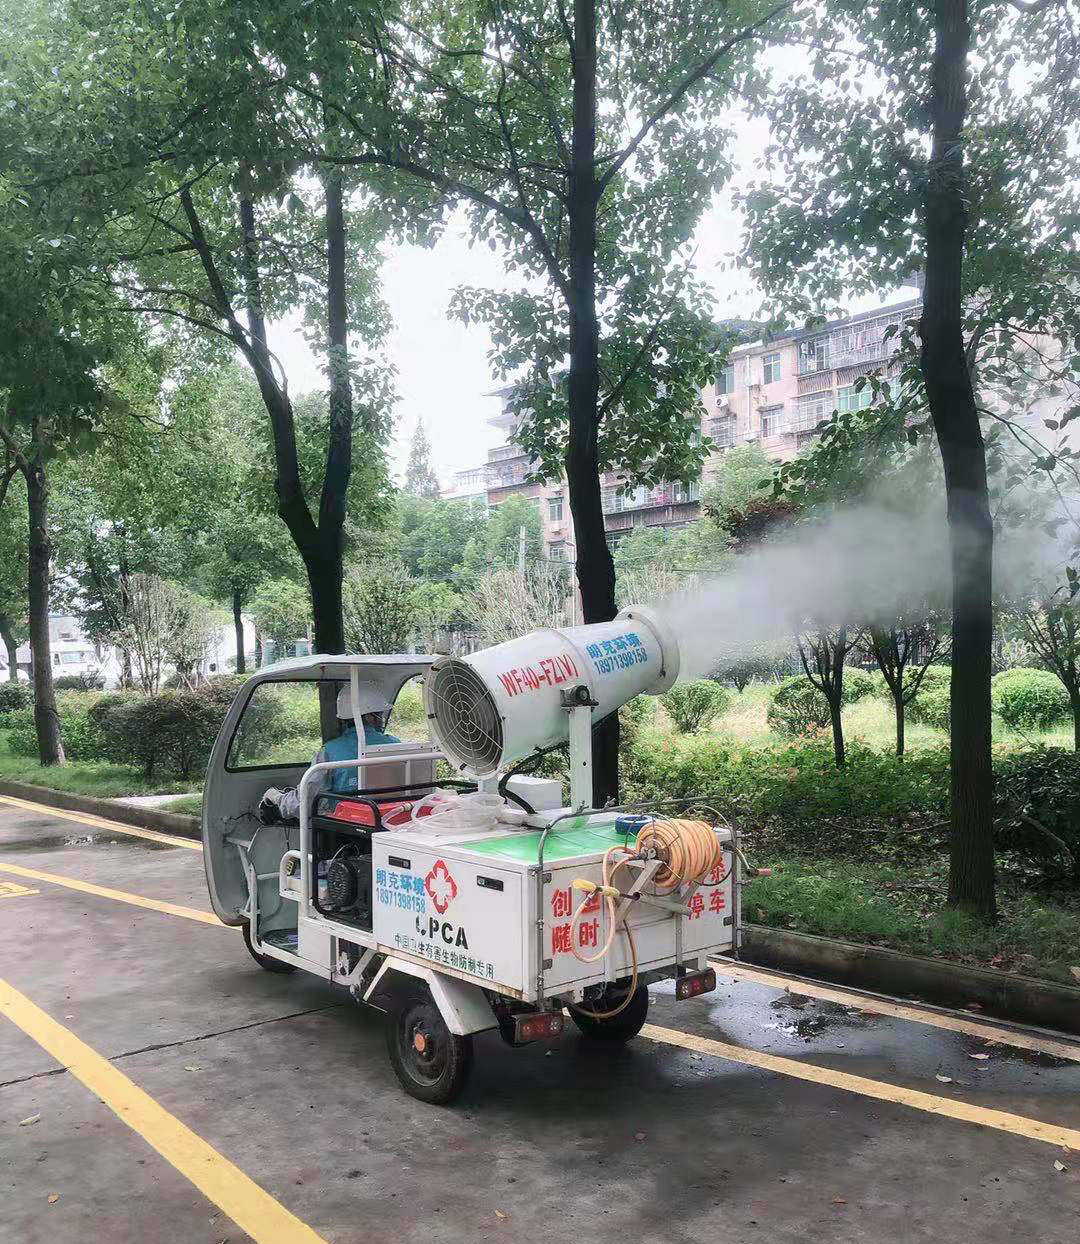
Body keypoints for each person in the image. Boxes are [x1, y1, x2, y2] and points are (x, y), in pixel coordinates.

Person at [258, 683, 400, 823]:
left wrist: (276, 797)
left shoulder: (330, 752)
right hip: (395, 821)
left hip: (347, 829)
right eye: (378, 714)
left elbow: (302, 805)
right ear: (369, 717)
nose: (380, 719)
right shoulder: (396, 745)